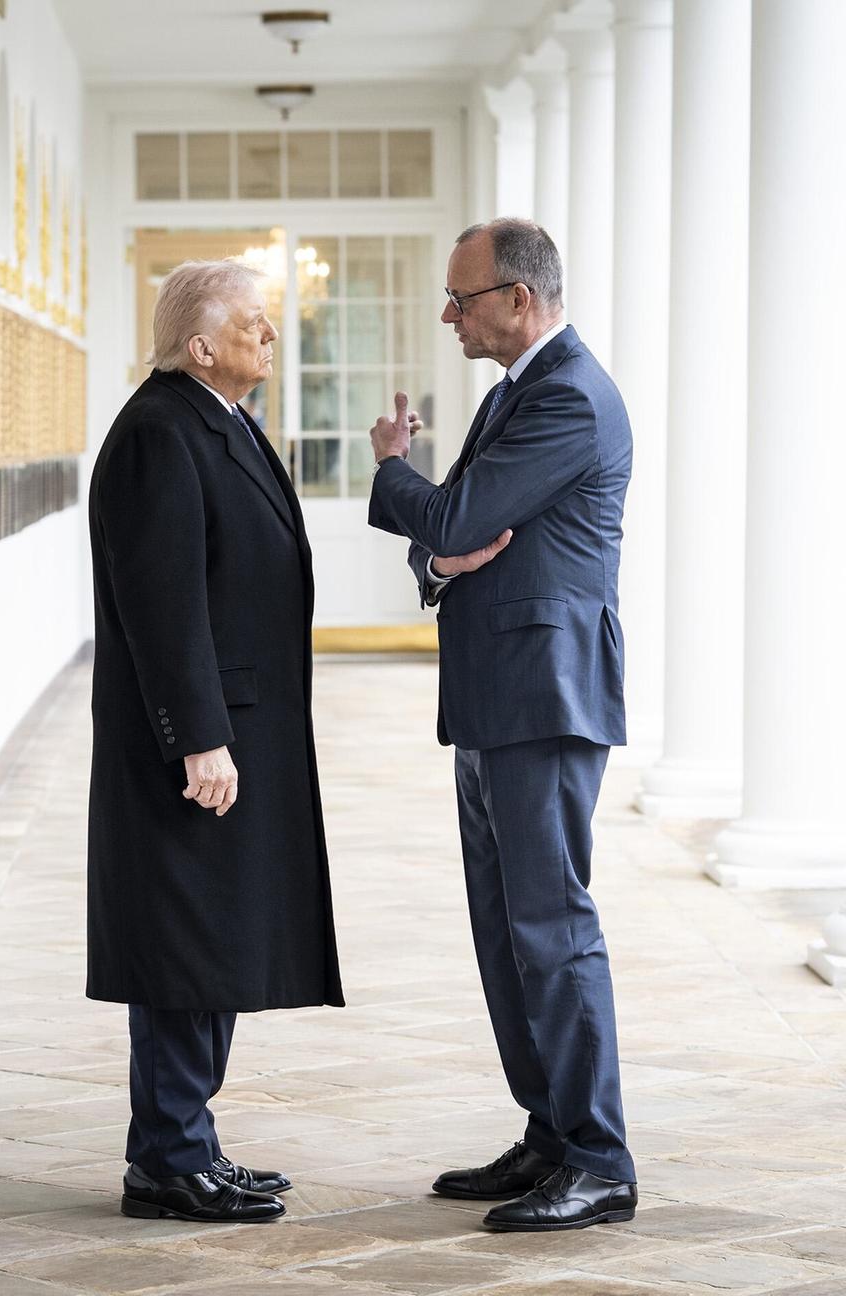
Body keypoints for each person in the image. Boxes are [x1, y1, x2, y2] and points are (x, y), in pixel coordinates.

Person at [368, 217, 638, 1232]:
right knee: (506, 933)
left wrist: (394, 467)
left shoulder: (567, 395)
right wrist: (438, 557)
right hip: (497, 697)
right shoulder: (517, 392)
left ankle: (600, 1158)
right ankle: (550, 1133)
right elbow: (450, 543)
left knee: (552, 930)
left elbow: (450, 516)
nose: (450, 315)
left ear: (520, 298)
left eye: (463, 298)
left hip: (545, 696)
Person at [87, 259, 343, 1226]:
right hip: (198, 747)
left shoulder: (217, 420)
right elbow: (164, 607)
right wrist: (199, 739)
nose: (271, 335)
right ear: (201, 345)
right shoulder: (161, 431)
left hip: (239, 730)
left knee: (214, 942)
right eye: (254, 323)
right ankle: (166, 1160)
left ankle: (187, 1144)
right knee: (184, 948)